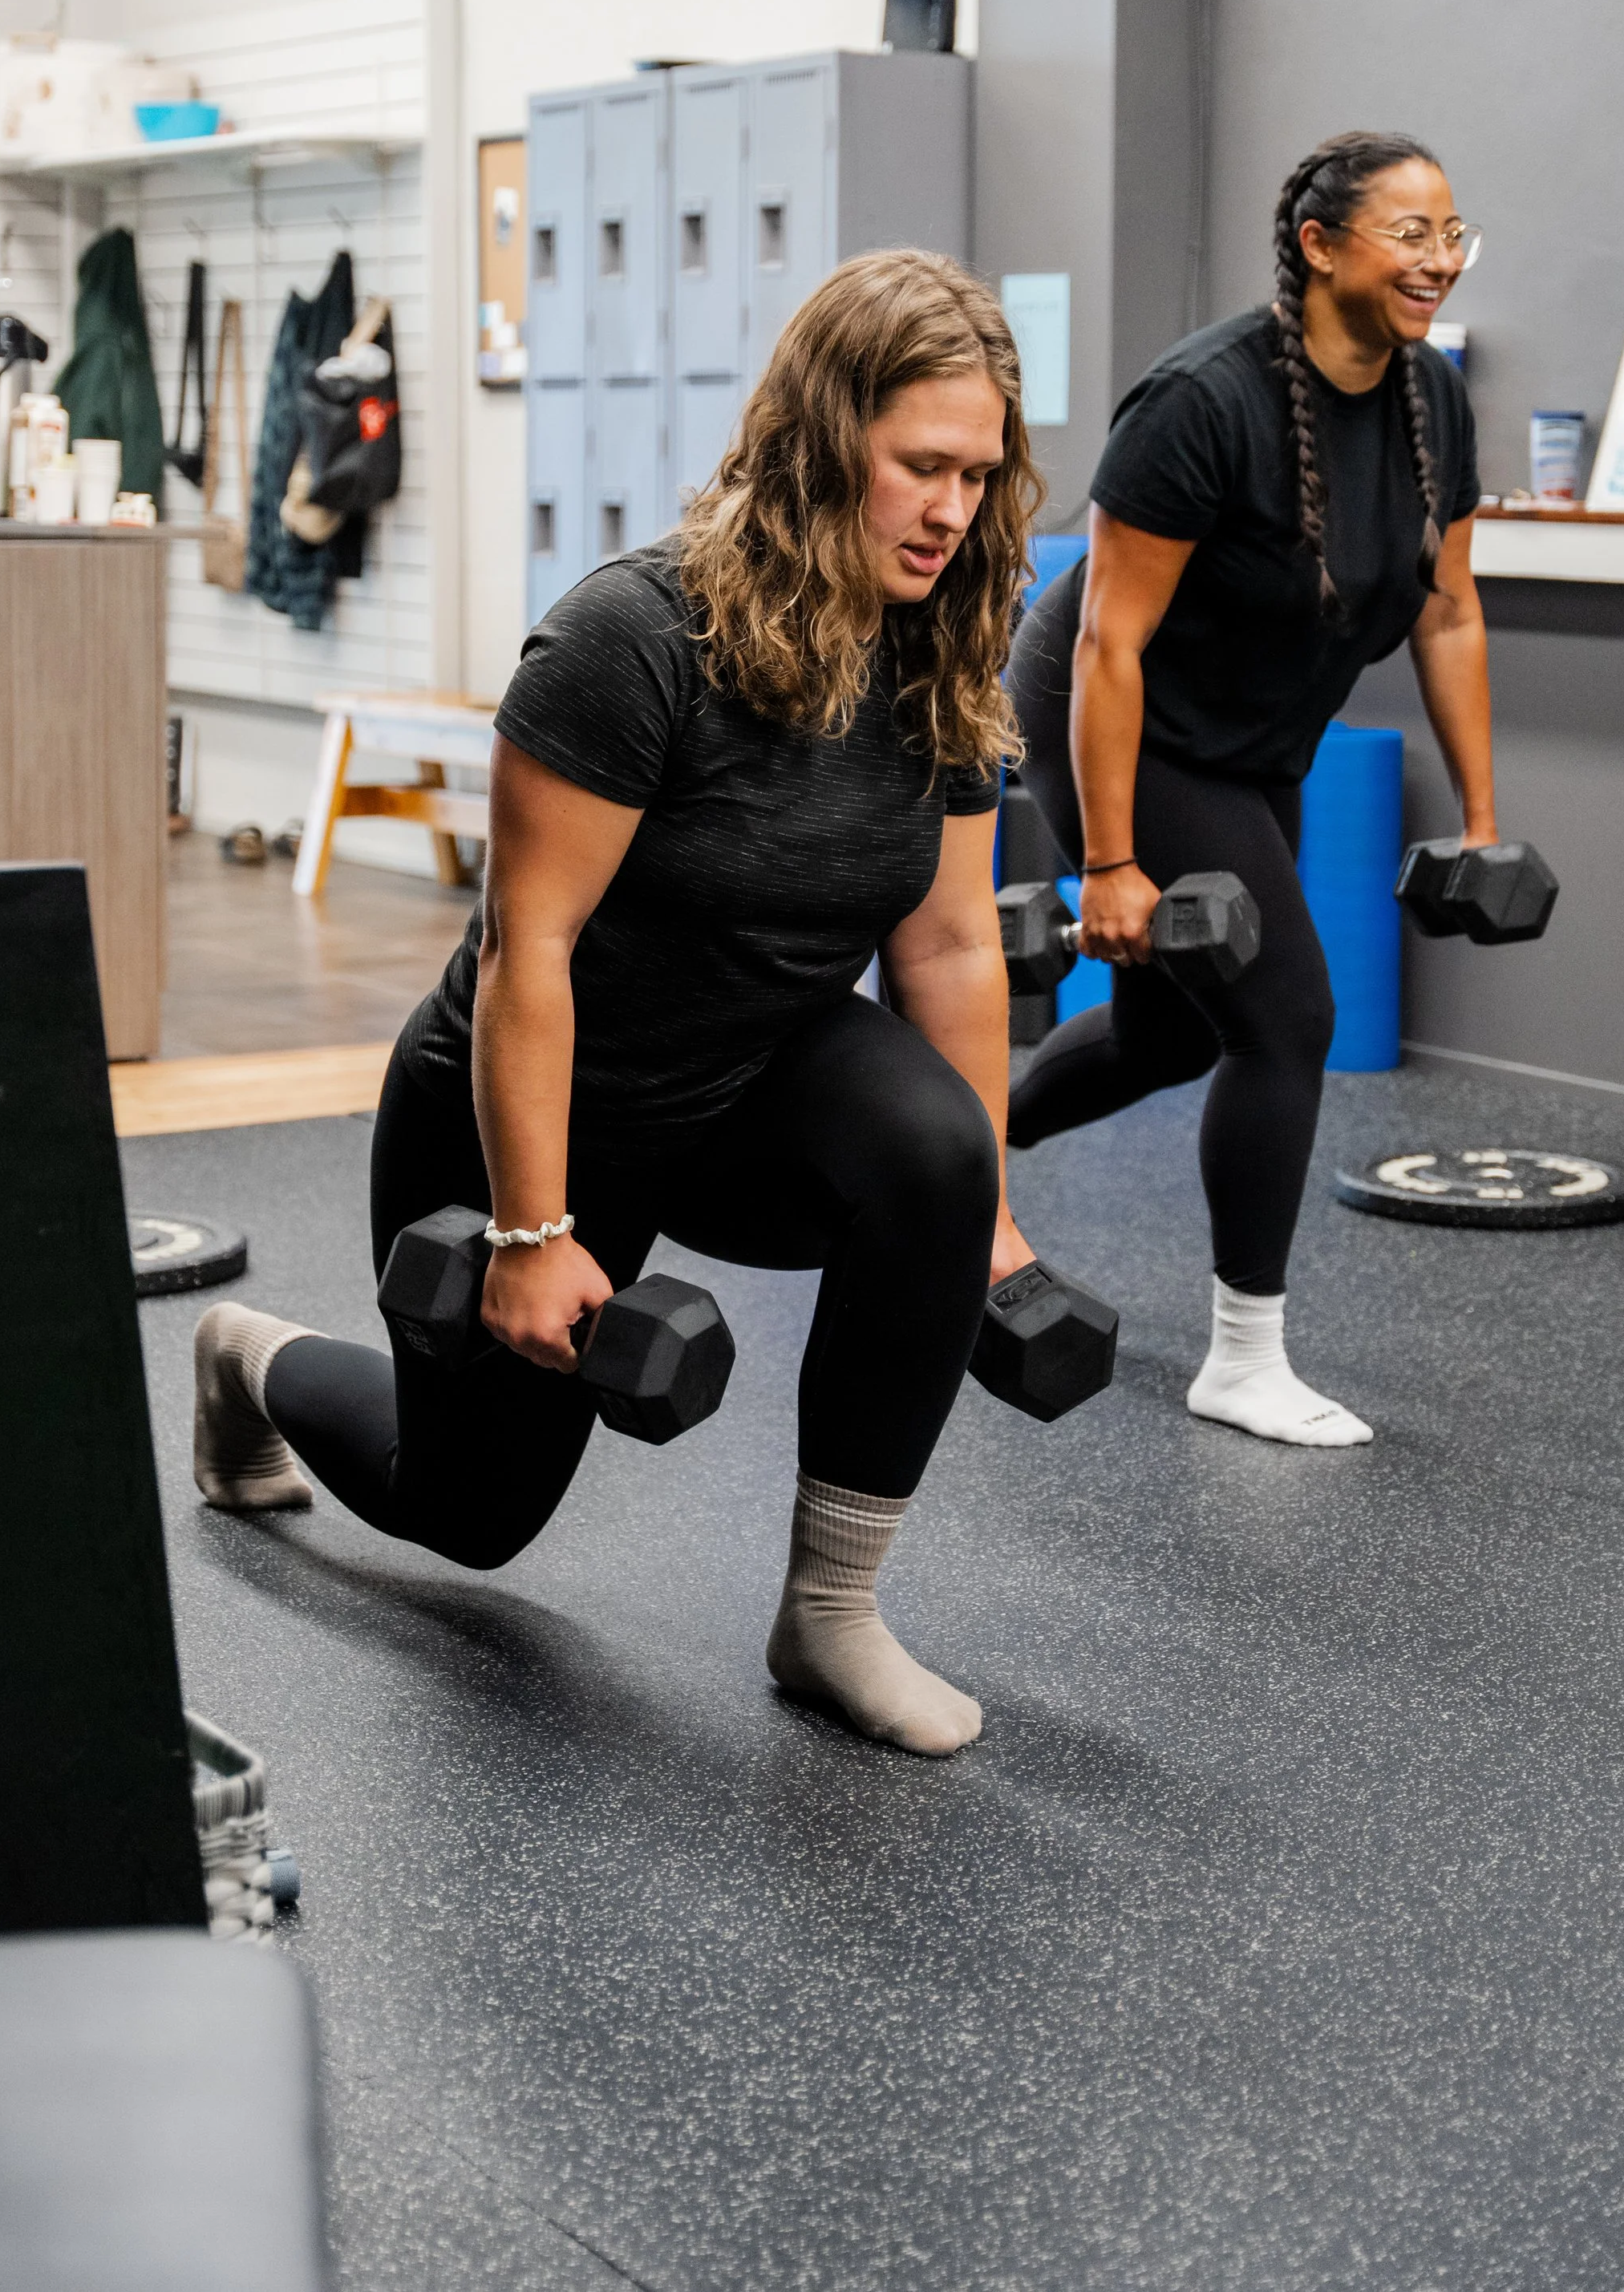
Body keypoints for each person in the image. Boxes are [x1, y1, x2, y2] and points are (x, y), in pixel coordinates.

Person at [192, 252, 1045, 1757]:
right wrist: (528, 1232)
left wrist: (986, 1212)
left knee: (937, 1148)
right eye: (923, 467)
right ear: (824, 438)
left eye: (979, 474)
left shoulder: (940, 641)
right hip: (537, 1103)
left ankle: (831, 1614)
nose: (954, 511)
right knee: (470, 1514)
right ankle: (248, 1357)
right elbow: (534, 955)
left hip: (749, 1084)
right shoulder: (635, 637)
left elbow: (953, 951)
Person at [1005, 130, 1492, 1447]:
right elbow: (1110, 642)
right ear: (1321, 244)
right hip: (1121, 711)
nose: (1438, 260)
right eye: (1411, 233)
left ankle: (959, 1146)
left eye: (1453, 235)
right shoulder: (1200, 403)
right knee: (1289, 1013)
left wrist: (1486, 818)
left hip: (1251, 740)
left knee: (1171, 1034)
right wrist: (1109, 861)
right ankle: (1244, 1354)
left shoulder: (1430, 399)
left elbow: (1448, 613)